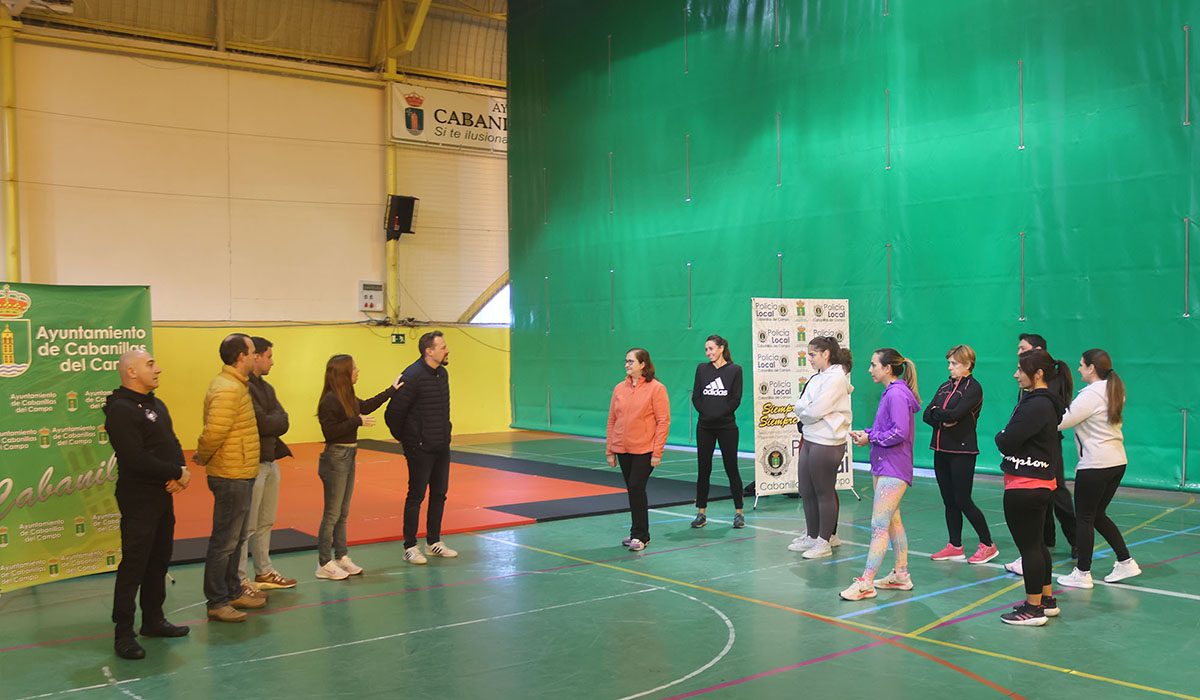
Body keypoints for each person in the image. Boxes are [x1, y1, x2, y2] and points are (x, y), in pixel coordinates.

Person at [104, 349, 192, 660]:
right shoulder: (120, 410)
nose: (158, 369)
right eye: (150, 364)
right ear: (131, 372)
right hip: (138, 497)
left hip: (162, 495)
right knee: (134, 565)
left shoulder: (157, 404)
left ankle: (153, 620)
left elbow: (172, 441)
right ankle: (123, 632)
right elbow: (134, 458)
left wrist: (180, 470)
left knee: (159, 560)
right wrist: (175, 472)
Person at [996, 349, 1070, 626]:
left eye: (1021, 369)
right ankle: (1046, 600)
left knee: (1030, 549)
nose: (1016, 374)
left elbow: (1007, 440)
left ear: (1038, 374)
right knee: (1037, 545)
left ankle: (1033, 609)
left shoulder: (1036, 405)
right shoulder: (1046, 403)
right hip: (1038, 483)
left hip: (1025, 486)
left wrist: (1001, 435)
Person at [840, 349, 922, 600]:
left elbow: (899, 432)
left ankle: (866, 582)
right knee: (893, 521)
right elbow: (888, 428)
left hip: (893, 469)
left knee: (878, 526)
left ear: (887, 368)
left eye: (873, 365)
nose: (870, 369)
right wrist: (867, 434)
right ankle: (901, 574)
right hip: (886, 465)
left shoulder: (896, 394)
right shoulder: (892, 392)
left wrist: (871, 437)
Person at [1056, 349, 1142, 588]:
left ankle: (1082, 573)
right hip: (1116, 462)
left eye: (1081, 365)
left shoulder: (1090, 395)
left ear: (1091, 368)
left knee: (1084, 518)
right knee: (1097, 515)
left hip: (1096, 464)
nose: (1078, 369)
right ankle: (1126, 562)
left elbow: (1061, 422)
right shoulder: (1112, 389)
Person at [194, 333, 265, 623]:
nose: (256, 356)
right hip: (230, 475)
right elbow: (214, 432)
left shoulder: (236, 385)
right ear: (241, 357)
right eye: (252, 351)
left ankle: (233, 591)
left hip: (241, 472)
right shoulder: (226, 388)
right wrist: (203, 455)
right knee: (224, 542)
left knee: (235, 540)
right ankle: (217, 601)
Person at [317, 354, 401, 578]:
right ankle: (324, 563)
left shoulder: (347, 397)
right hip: (336, 457)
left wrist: (391, 391)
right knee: (332, 513)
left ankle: (341, 556)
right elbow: (330, 432)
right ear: (344, 373)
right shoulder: (329, 401)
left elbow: (366, 406)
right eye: (354, 368)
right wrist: (357, 421)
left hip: (349, 454)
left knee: (343, 512)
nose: (358, 371)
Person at [1007, 333, 1077, 575]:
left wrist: (1010, 435)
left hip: (1044, 450)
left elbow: (1038, 421)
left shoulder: (1045, 390)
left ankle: (1075, 540)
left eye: (1023, 348)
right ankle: (1046, 539)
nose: (1018, 352)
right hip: (1033, 450)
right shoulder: (1030, 387)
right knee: (1043, 507)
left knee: (1057, 492)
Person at [385, 331, 456, 565]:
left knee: (439, 494)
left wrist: (445, 433)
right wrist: (408, 440)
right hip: (420, 448)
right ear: (429, 351)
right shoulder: (412, 376)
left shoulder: (442, 374)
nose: (447, 350)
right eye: (443, 347)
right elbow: (393, 413)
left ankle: (433, 542)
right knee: (416, 496)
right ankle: (410, 546)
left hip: (441, 445)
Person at [924, 345, 998, 564]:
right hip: (940, 450)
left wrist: (942, 414)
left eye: (954, 363)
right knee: (949, 500)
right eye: (949, 363)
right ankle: (955, 546)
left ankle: (988, 544)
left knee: (963, 500)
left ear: (968, 365)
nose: (950, 367)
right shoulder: (944, 386)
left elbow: (956, 414)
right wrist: (942, 417)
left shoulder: (973, 388)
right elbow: (927, 415)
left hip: (962, 452)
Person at [236, 337, 297, 594]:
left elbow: (283, 420)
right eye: (269, 356)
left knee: (265, 521)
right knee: (246, 526)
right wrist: (273, 420)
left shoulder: (267, 388)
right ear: (256, 356)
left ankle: (264, 571)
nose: (272, 362)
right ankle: (239, 579)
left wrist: (273, 420)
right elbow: (262, 422)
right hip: (252, 462)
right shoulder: (243, 387)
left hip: (270, 460)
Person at [788, 336, 852, 559]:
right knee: (806, 490)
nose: (809, 358)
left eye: (813, 354)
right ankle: (812, 535)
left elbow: (815, 410)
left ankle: (825, 541)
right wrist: (807, 412)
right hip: (810, 437)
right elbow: (800, 405)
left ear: (826, 353)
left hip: (827, 442)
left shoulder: (836, 378)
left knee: (824, 492)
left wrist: (807, 412)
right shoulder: (817, 377)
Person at [605, 347, 671, 551]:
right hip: (622, 448)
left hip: (644, 449)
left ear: (643, 364)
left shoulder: (656, 388)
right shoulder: (619, 388)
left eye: (631, 361)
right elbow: (612, 419)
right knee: (633, 490)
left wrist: (657, 452)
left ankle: (641, 535)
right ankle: (637, 533)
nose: (627, 364)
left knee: (636, 486)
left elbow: (663, 421)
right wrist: (610, 450)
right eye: (626, 361)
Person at [690, 334, 745, 529]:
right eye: (706, 349)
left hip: (727, 427)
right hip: (704, 427)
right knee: (703, 469)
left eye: (711, 349)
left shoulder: (735, 370)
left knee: (732, 468)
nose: (708, 352)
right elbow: (696, 396)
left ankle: (739, 513)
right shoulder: (701, 369)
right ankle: (701, 513)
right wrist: (706, 413)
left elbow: (735, 399)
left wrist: (718, 414)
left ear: (721, 348)